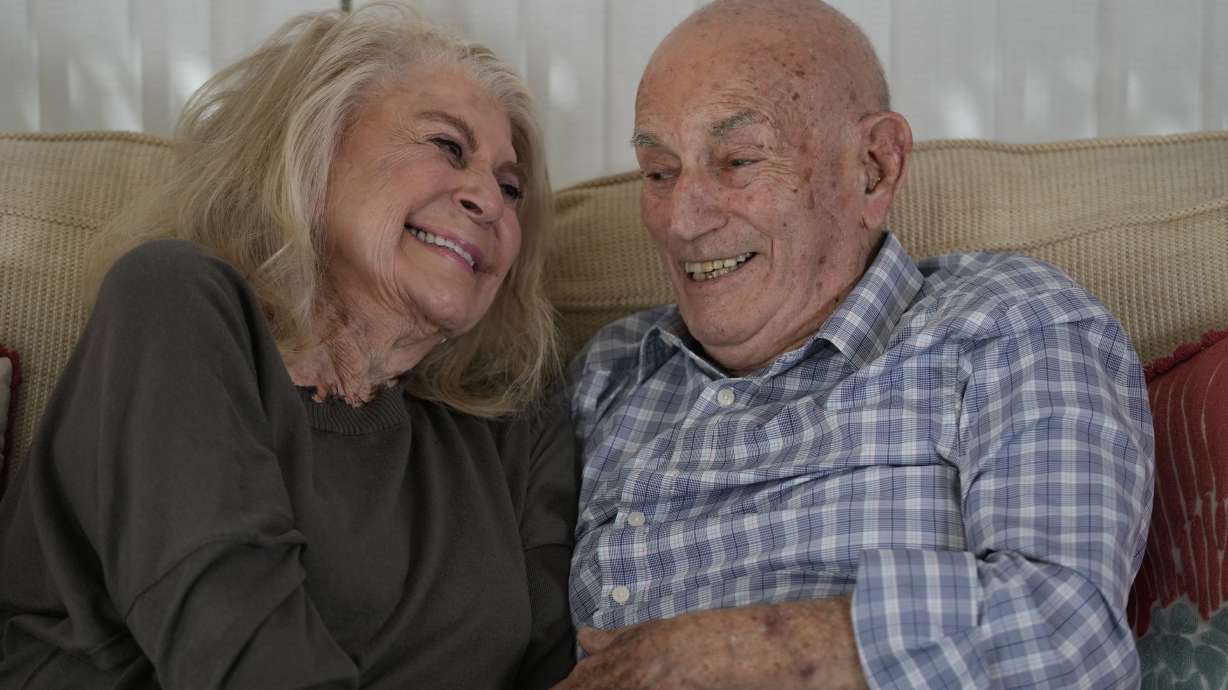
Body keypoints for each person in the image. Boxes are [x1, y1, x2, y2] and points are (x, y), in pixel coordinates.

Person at [561, 1, 1154, 688]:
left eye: (738, 160)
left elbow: (1065, 639)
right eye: (660, 172)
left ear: (874, 167)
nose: (682, 222)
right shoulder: (607, 374)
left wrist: (711, 656)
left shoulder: (1007, 322)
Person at [0, 3, 575, 688]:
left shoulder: (517, 413)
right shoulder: (176, 306)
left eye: (511, 189)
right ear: (315, 146)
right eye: (447, 147)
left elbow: (565, 672)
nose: (489, 199)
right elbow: (241, 647)